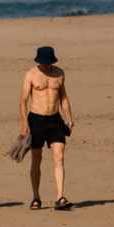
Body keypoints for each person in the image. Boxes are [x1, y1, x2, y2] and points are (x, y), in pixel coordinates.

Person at [19, 45, 75, 210]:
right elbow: (23, 101)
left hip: (55, 121)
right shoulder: (31, 74)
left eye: (48, 63)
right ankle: (36, 197)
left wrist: (70, 121)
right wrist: (24, 123)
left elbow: (63, 98)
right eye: (43, 63)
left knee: (59, 158)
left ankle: (60, 197)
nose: (46, 66)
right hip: (36, 120)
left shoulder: (59, 73)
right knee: (36, 160)